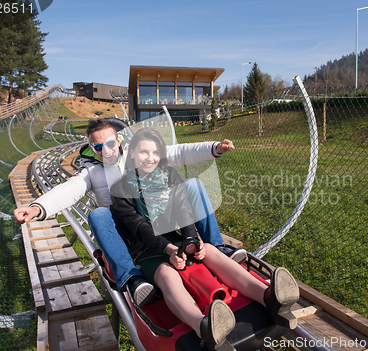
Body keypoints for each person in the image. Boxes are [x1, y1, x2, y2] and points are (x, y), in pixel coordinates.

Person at [13, 118, 245, 309]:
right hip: (128, 226)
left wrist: (214, 148)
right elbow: (69, 190)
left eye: (111, 143)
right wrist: (37, 207)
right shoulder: (91, 170)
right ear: (91, 148)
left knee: (192, 184)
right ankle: (131, 278)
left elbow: (177, 153)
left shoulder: (137, 155)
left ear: (119, 140)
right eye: (98, 147)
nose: (107, 150)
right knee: (98, 215)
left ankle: (218, 246)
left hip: (156, 214)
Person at [110, 128, 299, 351]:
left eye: (155, 152)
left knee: (208, 248)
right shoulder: (121, 189)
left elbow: (183, 210)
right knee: (166, 273)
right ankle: (203, 326)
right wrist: (168, 250)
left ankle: (267, 296)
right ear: (132, 153)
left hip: (176, 241)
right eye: (143, 152)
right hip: (148, 250)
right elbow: (139, 227)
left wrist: (191, 239)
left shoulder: (169, 175)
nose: (150, 158)